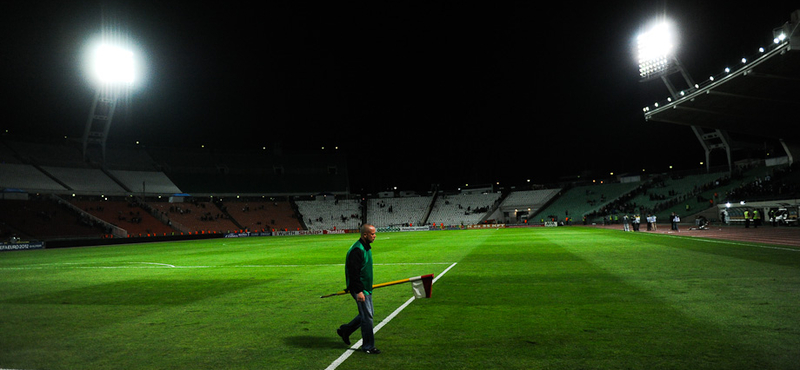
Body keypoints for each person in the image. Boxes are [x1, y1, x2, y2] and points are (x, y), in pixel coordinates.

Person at [337, 224, 381, 354]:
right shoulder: (357, 250)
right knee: (367, 317)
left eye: (374, 233)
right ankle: (368, 346)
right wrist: (359, 291)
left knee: (367, 314)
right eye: (372, 234)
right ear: (365, 235)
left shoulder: (365, 247)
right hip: (360, 289)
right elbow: (354, 273)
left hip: (365, 287)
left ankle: (346, 330)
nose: (375, 236)